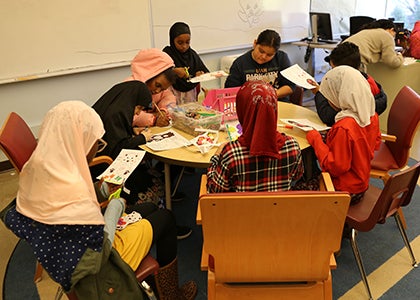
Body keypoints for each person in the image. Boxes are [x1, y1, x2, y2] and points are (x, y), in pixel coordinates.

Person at [1, 101, 197, 299]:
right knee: (166, 218)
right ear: (80, 140)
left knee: (147, 207)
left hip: (72, 249)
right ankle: (172, 295)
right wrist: (114, 207)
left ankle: (161, 287)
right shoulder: (74, 190)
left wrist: (102, 190)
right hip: (101, 267)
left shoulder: (41, 168)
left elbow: (67, 207)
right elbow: (101, 250)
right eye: (96, 142)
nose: (97, 147)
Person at [207, 80, 304, 193]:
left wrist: (216, 157)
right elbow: (297, 176)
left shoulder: (231, 153)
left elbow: (215, 191)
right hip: (280, 209)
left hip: (241, 210)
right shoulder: (292, 146)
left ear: (242, 109)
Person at [306, 66, 381, 205]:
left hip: (343, 191)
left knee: (296, 189)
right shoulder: (371, 114)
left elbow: (335, 167)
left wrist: (315, 138)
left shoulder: (344, 127)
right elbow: (376, 143)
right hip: (362, 182)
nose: (328, 100)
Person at [314, 41, 387, 126]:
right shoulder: (365, 81)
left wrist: (319, 93)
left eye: (333, 69)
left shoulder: (354, 90)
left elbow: (328, 117)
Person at [224, 29, 296, 102]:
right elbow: (230, 91)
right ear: (255, 44)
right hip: (250, 105)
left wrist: (272, 94)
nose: (263, 56)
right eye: (261, 51)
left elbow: (290, 86)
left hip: (278, 103)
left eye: (269, 55)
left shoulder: (281, 58)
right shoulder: (240, 63)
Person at [125, 48, 178, 127]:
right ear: (149, 74)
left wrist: (163, 111)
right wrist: (153, 119)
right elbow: (128, 114)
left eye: (162, 89)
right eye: (157, 85)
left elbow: (169, 97)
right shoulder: (129, 87)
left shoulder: (160, 86)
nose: (157, 91)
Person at [163, 22, 210, 104]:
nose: (184, 46)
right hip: (171, 95)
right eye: (180, 43)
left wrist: (200, 74)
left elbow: (204, 71)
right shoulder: (166, 54)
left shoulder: (192, 55)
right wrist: (174, 71)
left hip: (190, 95)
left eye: (187, 42)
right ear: (172, 40)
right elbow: (160, 74)